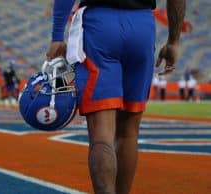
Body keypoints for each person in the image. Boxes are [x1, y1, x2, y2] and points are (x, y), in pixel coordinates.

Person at [46, 0, 185, 194]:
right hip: (142, 26)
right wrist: (174, 40)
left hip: (99, 25)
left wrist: (57, 36)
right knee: (128, 133)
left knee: (101, 136)